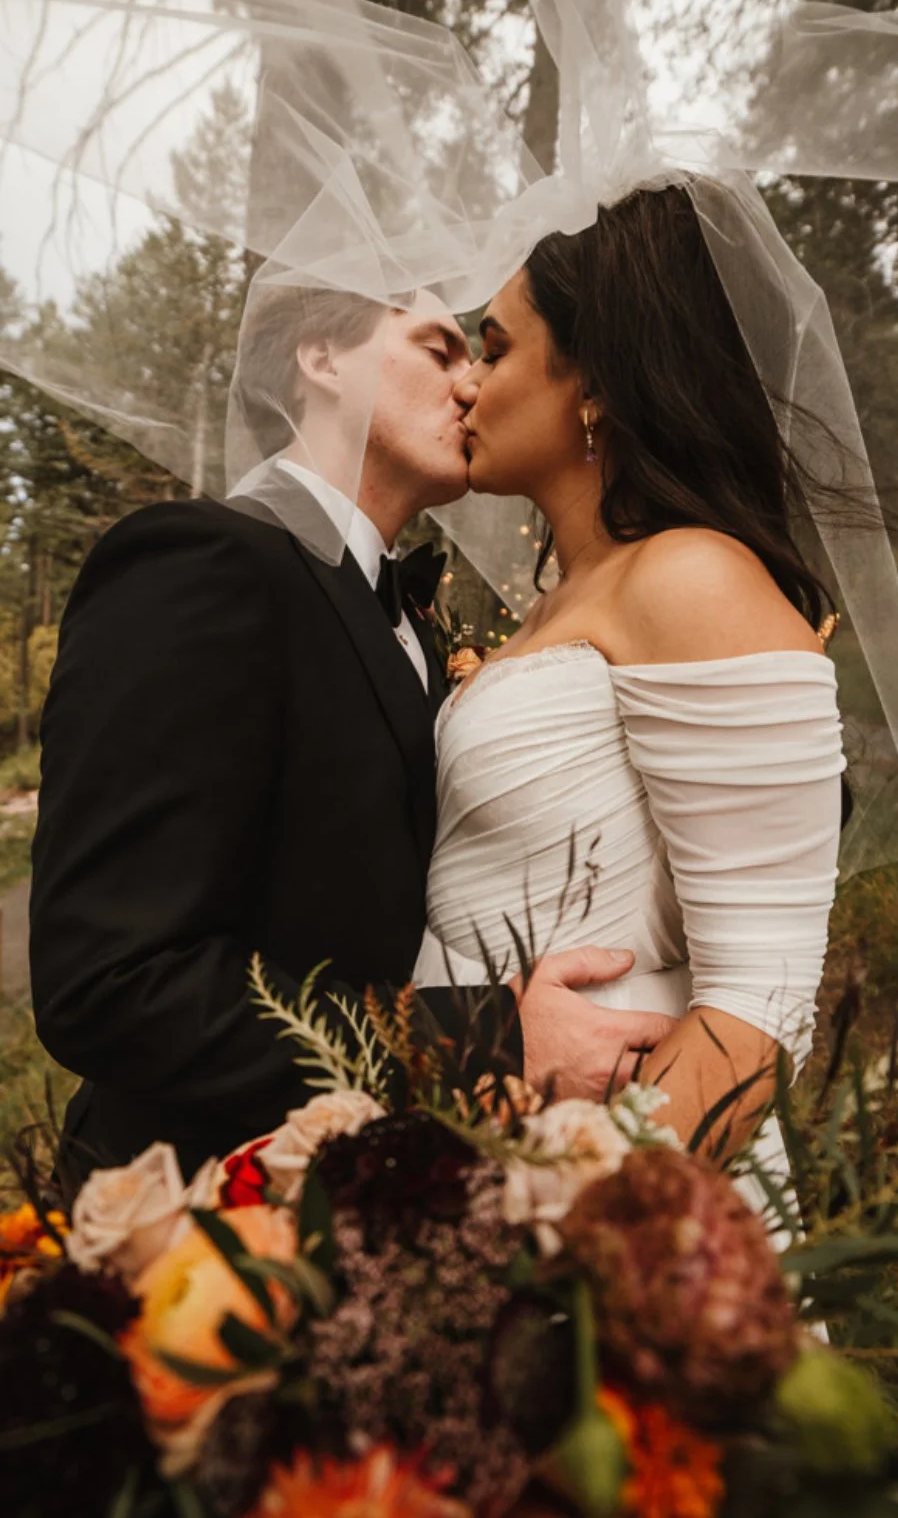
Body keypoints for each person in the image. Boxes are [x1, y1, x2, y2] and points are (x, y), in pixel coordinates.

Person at [30, 282, 663, 1190]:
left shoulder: (408, 617)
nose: (472, 384)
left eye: (478, 357)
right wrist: (485, 1040)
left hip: (389, 1208)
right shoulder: (197, 564)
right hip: (205, 1226)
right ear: (320, 359)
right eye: (439, 349)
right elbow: (109, 981)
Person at [414, 183, 847, 1162]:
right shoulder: (560, 604)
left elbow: (750, 1008)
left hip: (626, 1184)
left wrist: (579, 1226)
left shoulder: (690, 576)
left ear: (595, 380)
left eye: (493, 349)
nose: (467, 386)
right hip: (483, 1150)